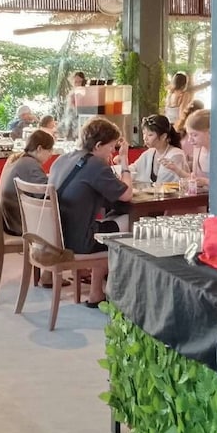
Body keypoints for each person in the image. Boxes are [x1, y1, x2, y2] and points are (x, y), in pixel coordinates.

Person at [48, 117, 133, 307]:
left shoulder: (63, 159)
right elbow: (127, 194)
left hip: (55, 236)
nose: (112, 152)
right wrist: (125, 162)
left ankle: (97, 293)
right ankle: (123, 295)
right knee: (134, 223)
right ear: (98, 145)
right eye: (111, 147)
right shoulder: (95, 164)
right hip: (78, 242)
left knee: (111, 219)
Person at [0, 129, 55, 236]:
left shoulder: (15, 158)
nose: (51, 155)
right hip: (20, 224)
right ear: (39, 148)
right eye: (49, 150)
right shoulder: (30, 164)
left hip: (9, 221)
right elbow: (46, 194)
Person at [161, 109, 210, 187]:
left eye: (194, 135)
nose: (190, 140)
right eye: (189, 135)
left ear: (209, 132)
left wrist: (206, 182)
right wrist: (175, 169)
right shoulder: (197, 149)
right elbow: (195, 179)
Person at [132, 115, 186, 184]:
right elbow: (134, 168)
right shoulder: (149, 153)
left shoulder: (176, 155)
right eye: (144, 133)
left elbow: (168, 182)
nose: (145, 138)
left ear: (163, 136)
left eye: (150, 135)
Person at [59, 71, 87, 140]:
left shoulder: (85, 92)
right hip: (70, 118)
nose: (78, 84)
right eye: (76, 82)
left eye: (80, 81)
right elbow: (68, 109)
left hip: (79, 118)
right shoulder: (72, 92)